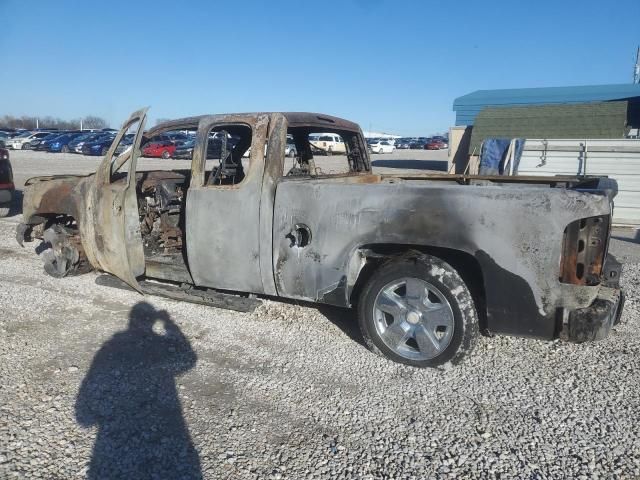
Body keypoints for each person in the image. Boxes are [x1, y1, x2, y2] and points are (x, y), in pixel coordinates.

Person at [75, 302, 201, 479]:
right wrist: (169, 324)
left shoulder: (112, 345)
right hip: (160, 419)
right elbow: (189, 359)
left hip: (115, 430)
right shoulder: (157, 343)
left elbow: (93, 379)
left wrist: (86, 411)